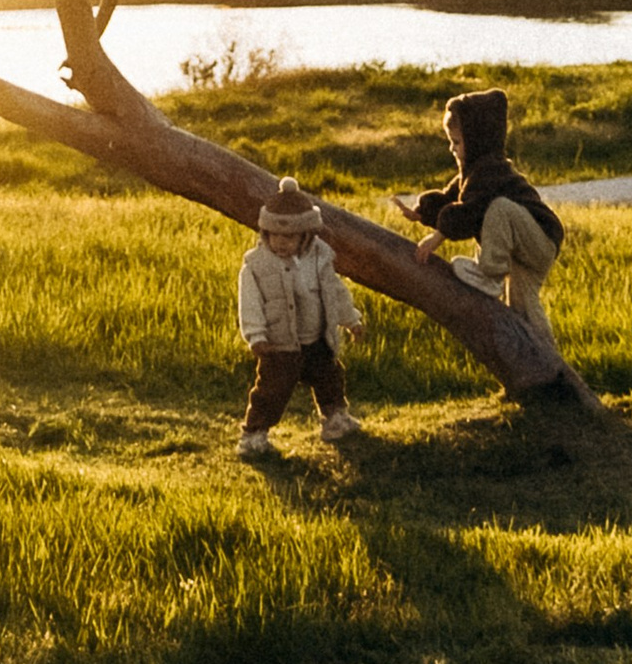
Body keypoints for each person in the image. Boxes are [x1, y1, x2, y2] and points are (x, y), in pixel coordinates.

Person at [394, 88, 565, 344]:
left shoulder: (490, 169)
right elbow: (451, 199)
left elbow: (469, 211)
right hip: (525, 251)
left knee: (498, 207)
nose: (452, 149)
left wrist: (437, 238)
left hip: (540, 239)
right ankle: (547, 364)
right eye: (450, 142)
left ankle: (490, 274)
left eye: (458, 142)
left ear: (478, 140)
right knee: (523, 307)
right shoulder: (471, 173)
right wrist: (421, 212)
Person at [235, 175, 365, 459]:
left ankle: (335, 419)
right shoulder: (256, 266)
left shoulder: (319, 258)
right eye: (274, 235)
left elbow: (334, 291)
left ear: (307, 234)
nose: (281, 242)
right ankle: (254, 434)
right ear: (265, 232)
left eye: (289, 237)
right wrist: (256, 336)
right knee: (271, 389)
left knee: (330, 377)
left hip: (317, 337)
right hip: (279, 342)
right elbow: (250, 303)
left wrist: (351, 318)